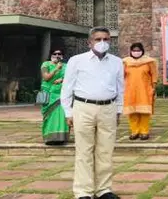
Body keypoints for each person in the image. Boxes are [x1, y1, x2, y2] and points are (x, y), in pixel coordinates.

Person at [61, 27, 124, 199]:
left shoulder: (117, 62)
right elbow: (67, 87)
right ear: (89, 42)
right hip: (83, 107)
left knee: (106, 150)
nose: (102, 42)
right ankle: (83, 191)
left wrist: (119, 109)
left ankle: (104, 189)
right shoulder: (76, 61)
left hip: (108, 108)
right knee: (84, 151)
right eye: (98, 39)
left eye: (106, 39)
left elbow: (120, 88)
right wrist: (68, 112)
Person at [123, 42, 158, 140]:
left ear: (142, 51)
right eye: (134, 50)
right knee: (132, 112)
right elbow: (121, 76)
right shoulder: (125, 62)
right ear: (131, 51)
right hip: (130, 90)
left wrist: (154, 87)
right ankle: (135, 131)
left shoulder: (149, 62)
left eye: (138, 50)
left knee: (144, 112)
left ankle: (144, 132)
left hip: (145, 90)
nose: (136, 52)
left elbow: (154, 75)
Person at [40, 48, 70, 145]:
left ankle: (61, 137)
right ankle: (49, 137)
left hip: (61, 93)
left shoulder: (66, 66)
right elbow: (46, 77)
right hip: (49, 93)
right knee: (50, 115)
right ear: (51, 55)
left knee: (62, 114)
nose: (57, 55)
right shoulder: (46, 64)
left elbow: (70, 78)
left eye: (59, 54)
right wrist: (57, 69)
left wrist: (62, 80)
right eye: (55, 53)